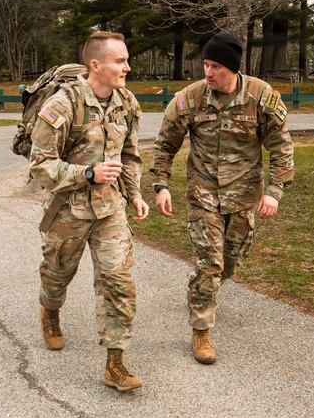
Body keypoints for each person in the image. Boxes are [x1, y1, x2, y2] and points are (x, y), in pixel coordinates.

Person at [151, 31, 294, 365]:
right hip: (203, 193)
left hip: (245, 196)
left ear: (232, 68)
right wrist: (161, 184)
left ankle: (203, 284)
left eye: (216, 65)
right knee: (210, 261)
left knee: (229, 263)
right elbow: (164, 145)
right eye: (205, 64)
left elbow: (281, 148)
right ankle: (201, 331)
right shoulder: (190, 98)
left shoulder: (261, 97)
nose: (208, 72)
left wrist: (274, 192)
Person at [29, 30, 149, 392]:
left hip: (110, 209)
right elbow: (40, 165)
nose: (127, 67)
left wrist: (134, 194)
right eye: (120, 61)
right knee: (57, 275)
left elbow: (129, 155)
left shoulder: (127, 103)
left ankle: (115, 364)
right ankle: (50, 311)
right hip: (68, 210)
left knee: (119, 282)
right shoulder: (62, 106)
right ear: (96, 65)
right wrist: (87, 173)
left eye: (127, 59)